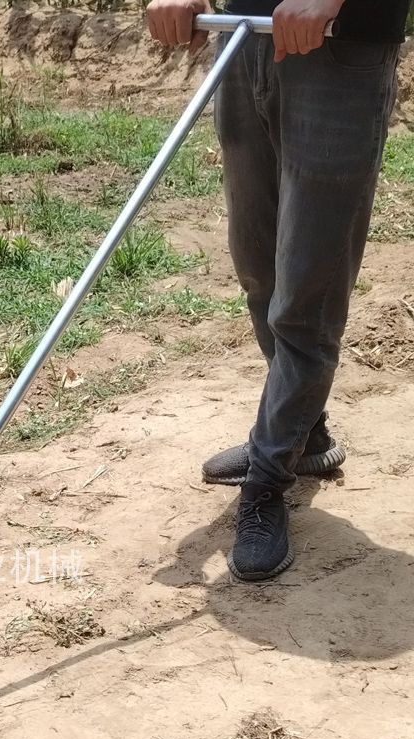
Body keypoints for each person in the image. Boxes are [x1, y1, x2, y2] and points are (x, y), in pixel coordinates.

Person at [146, 0, 408, 580]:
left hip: (339, 44)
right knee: (259, 268)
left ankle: (267, 480)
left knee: (306, 289)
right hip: (243, 35)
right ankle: (301, 434)